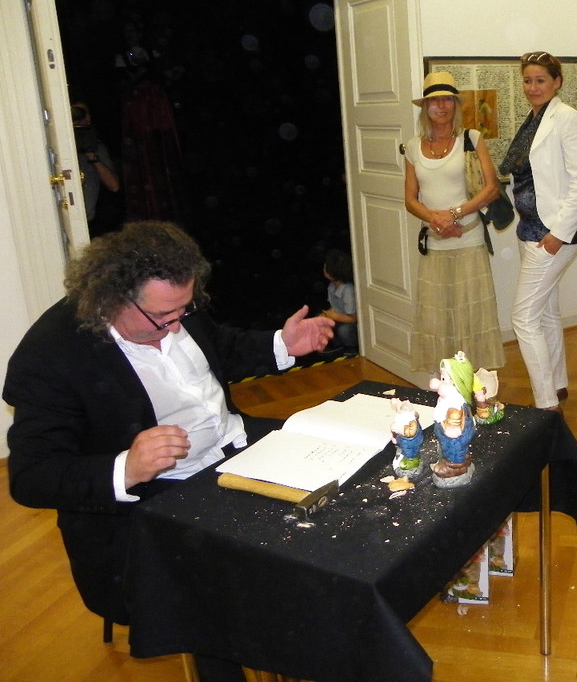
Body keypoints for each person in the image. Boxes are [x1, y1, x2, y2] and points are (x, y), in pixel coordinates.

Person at [3, 221, 333, 682]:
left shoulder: (173, 305)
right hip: (155, 499)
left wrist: (281, 343)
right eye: (164, 318)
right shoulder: (51, 357)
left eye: (185, 310)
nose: (177, 326)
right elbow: (31, 477)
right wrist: (126, 466)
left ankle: (321, 638)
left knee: (340, 496)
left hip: (236, 447)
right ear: (113, 298)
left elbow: (216, 349)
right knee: (219, 592)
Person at [502, 52, 577, 412]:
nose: (532, 87)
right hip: (530, 229)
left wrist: (560, 232)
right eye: (527, 80)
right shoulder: (533, 119)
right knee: (546, 313)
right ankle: (557, 384)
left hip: (552, 233)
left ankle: (545, 404)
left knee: (523, 318)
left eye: (540, 80)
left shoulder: (565, 117)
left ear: (557, 82)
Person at [404, 71, 505, 372]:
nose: (441, 106)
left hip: (468, 240)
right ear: (425, 107)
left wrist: (454, 214)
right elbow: (410, 199)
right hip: (435, 244)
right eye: (434, 100)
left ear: (455, 105)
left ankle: (475, 384)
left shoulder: (471, 139)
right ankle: (446, 385)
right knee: (437, 318)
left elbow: (491, 189)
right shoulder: (412, 147)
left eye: (447, 99)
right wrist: (435, 219)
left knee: (472, 317)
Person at [71, 101, 121, 237]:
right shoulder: (59, 145)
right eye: (76, 113)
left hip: (89, 221)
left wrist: (91, 155)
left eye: (84, 113)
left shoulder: (96, 146)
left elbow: (114, 186)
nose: (82, 117)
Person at [321, 248, 358, 354]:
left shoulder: (347, 290)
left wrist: (334, 316)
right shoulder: (331, 286)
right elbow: (333, 307)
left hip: (349, 322)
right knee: (321, 322)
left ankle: (351, 348)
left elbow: (353, 318)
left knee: (344, 330)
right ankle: (335, 346)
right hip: (339, 318)